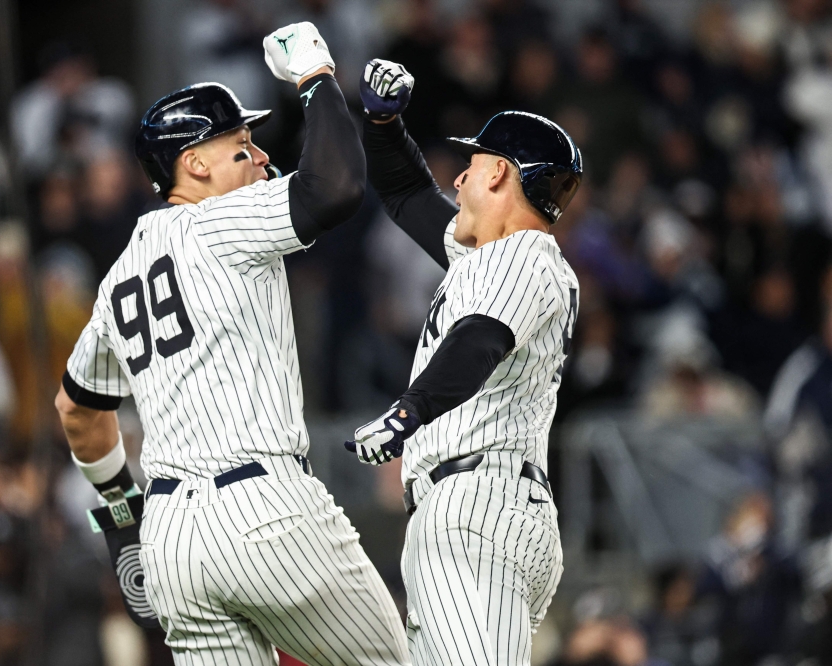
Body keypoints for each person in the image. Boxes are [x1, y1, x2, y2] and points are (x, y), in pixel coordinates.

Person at [54, 22, 409, 666]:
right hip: (263, 512)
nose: (263, 158)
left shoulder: (116, 281)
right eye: (243, 146)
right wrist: (316, 78)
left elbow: (76, 411)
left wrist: (122, 509)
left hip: (169, 543)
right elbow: (335, 188)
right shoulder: (219, 222)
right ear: (193, 164)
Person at [347, 59, 584, 664]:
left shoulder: (525, 257)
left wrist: (407, 413)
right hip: (481, 506)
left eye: (473, 165)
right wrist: (382, 122)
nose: (458, 180)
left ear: (500, 173)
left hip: (475, 508)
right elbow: (404, 193)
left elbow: (477, 340)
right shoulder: (489, 256)